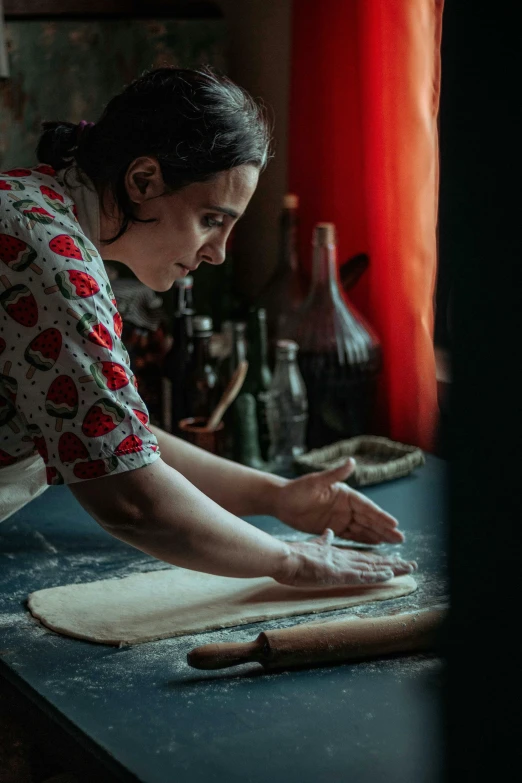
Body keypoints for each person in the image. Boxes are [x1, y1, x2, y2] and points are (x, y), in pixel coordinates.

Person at [0, 66, 415, 588]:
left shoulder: (33, 205)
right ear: (143, 180)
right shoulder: (54, 260)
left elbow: (117, 436)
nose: (218, 253)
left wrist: (276, 497)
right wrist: (293, 561)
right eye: (212, 220)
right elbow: (131, 500)